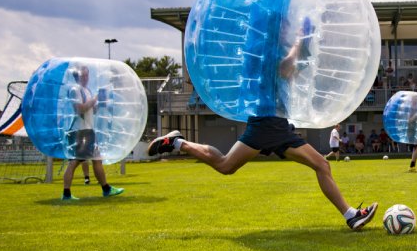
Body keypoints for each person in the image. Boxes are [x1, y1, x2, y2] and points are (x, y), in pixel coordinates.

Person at [147, 26, 378, 231]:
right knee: (319, 164)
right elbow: (285, 69)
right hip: (268, 124)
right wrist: (300, 42)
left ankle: (177, 142)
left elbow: (290, 74)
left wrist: (304, 50)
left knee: (228, 165)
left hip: (271, 123)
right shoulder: (267, 51)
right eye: (286, 26)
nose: (289, 29)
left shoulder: (269, 50)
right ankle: (350, 216)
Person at [62, 65, 124, 200]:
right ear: (77, 77)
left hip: (88, 130)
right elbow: (80, 109)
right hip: (80, 131)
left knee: (97, 159)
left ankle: (106, 189)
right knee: (75, 162)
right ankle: (66, 194)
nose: (85, 78)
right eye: (83, 76)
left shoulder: (87, 90)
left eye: (87, 75)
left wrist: (99, 104)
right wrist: (95, 99)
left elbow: (91, 110)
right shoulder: (75, 90)